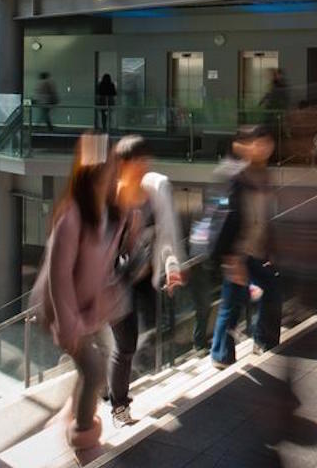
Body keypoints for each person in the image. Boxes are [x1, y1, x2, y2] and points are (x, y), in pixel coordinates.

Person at [31, 134, 123, 450]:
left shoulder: (112, 211)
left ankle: (69, 416)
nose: (113, 168)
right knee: (94, 369)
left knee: (97, 362)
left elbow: (104, 263)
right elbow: (58, 277)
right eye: (108, 162)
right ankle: (83, 436)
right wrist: (68, 325)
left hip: (88, 307)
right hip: (60, 309)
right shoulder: (71, 216)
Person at [105, 136, 185, 427]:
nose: (143, 166)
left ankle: (111, 389)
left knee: (138, 338)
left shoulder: (152, 195)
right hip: (112, 283)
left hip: (140, 280)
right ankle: (118, 406)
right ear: (122, 164)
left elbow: (162, 237)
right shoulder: (110, 200)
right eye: (136, 161)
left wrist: (171, 265)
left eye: (145, 161)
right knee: (125, 345)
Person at [210, 125, 283, 368]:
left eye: (266, 142)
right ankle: (222, 355)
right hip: (238, 252)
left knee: (260, 293)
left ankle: (258, 343)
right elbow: (226, 217)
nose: (263, 147)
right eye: (257, 142)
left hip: (256, 251)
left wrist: (270, 247)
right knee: (233, 303)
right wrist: (231, 258)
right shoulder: (235, 175)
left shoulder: (264, 175)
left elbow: (268, 217)